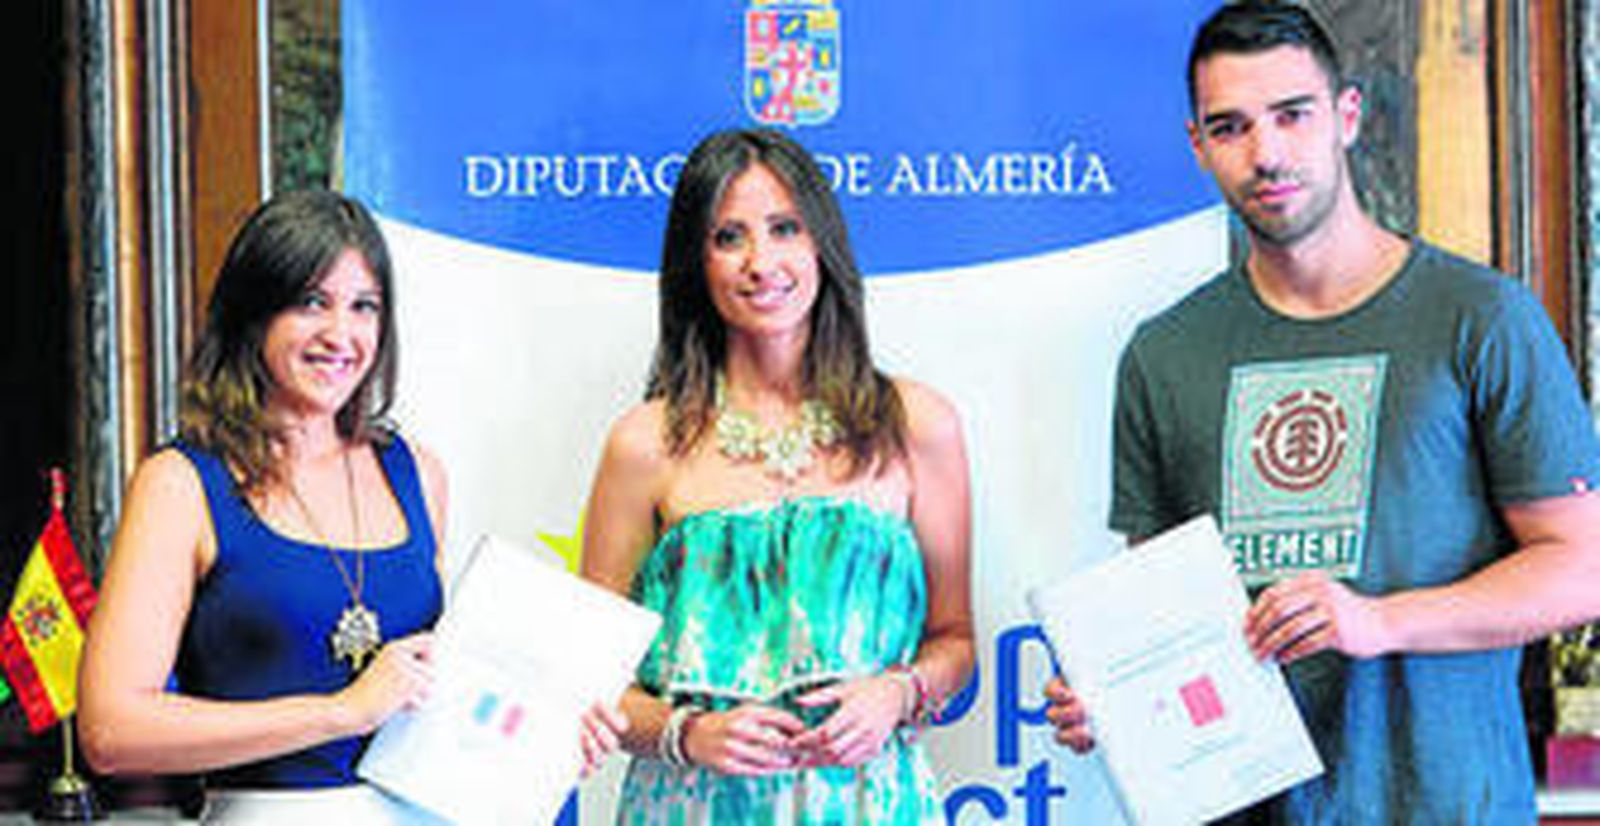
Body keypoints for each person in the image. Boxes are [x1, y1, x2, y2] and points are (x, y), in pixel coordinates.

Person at [1045, 2, 1600, 823]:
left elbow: (1581, 569)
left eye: (1291, 115)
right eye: (1230, 127)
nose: (1266, 153)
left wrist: (1377, 620)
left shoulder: (1481, 318)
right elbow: (1166, 617)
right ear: (1198, 146)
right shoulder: (1164, 354)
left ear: (1345, 116)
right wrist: (1122, 701)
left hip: (1445, 805)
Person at [79, 190, 625, 822]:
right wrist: (342, 711)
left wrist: (545, 738)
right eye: (313, 302)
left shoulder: (417, 472)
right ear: (254, 313)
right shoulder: (179, 484)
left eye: (364, 306)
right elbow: (111, 730)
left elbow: (434, 700)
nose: (341, 334)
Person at [581, 128, 975, 824]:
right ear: (695, 263)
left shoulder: (916, 423)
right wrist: (687, 733)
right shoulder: (643, 442)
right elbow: (586, 679)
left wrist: (899, 693)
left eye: (784, 228)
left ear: (821, 240)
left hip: (869, 804)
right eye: (728, 237)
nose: (762, 262)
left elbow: (955, 641)